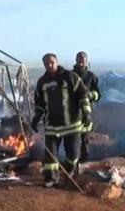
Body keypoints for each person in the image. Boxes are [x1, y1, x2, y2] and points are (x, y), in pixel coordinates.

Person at [31, 53, 92, 188]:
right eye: (46, 64)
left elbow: (83, 93)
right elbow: (39, 103)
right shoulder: (42, 82)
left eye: (51, 62)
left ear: (57, 62)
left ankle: (69, 173)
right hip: (52, 126)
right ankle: (52, 179)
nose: (49, 65)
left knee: (74, 155)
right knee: (50, 156)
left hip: (72, 124)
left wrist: (87, 113)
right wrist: (36, 117)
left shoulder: (69, 76)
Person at [72, 51, 101, 162]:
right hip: (72, 111)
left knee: (84, 138)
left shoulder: (91, 77)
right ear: (76, 60)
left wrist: (91, 95)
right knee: (72, 138)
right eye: (79, 60)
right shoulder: (70, 75)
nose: (81, 62)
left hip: (86, 112)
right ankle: (72, 160)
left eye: (83, 60)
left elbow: (98, 94)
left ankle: (84, 160)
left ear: (86, 62)